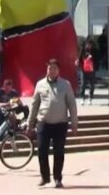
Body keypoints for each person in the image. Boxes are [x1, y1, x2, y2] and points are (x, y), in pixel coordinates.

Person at [30, 59, 79, 188]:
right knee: (42, 151)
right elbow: (34, 105)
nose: (50, 70)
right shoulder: (40, 84)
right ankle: (45, 177)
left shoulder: (66, 84)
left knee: (59, 152)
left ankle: (58, 178)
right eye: (48, 68)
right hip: (43, 123)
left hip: (60, 124)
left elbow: (72, 105)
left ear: (58, 70)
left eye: (53, 68)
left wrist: (74, 123)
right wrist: (30, 123)